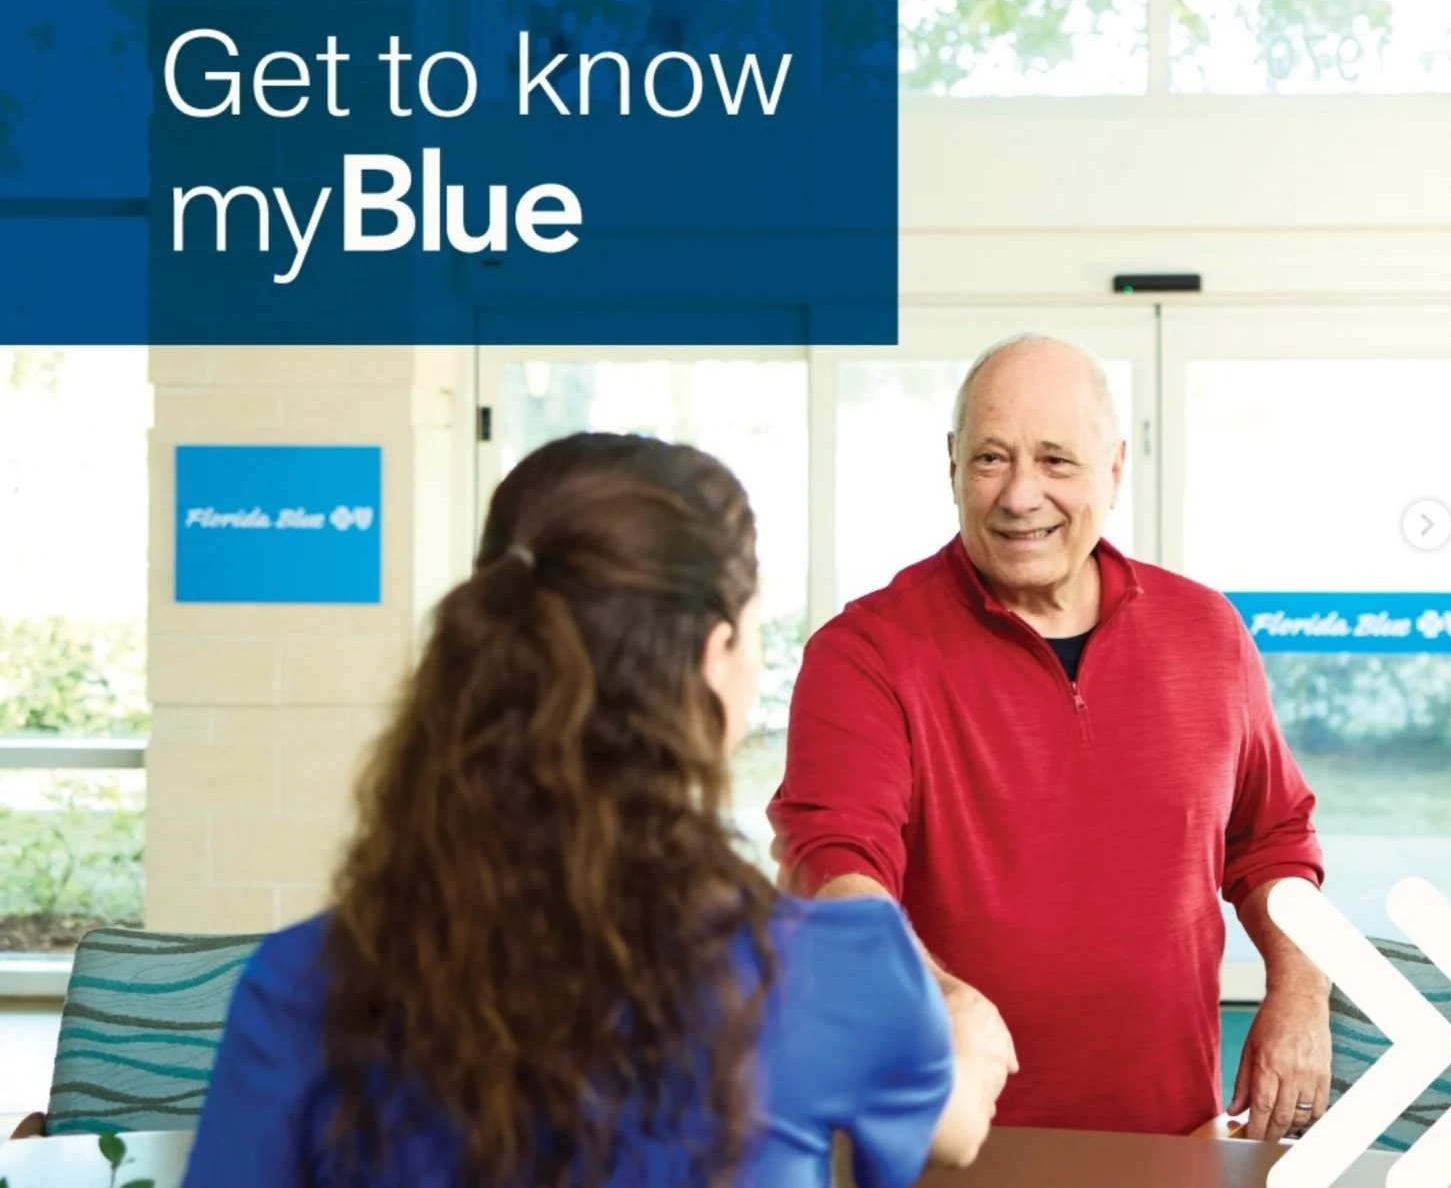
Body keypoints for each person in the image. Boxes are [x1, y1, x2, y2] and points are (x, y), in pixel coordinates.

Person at [181, 431, 1017, 1188]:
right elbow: (955, 1126)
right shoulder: (833, 973)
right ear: (713, 656)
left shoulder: (302, 984)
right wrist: (969, 1033)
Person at [768, 334, 1331, 1144]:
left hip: (1170, 1140)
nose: (1019, 494)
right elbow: (835, 864)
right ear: (952, 463)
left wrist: (1299, 987)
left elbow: (1270, 835)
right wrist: (933, 996)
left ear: (1114, 466)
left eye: (1056, 460)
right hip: (946, 1146)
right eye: (991, 458)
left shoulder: (1206, 631)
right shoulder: (864, 652)